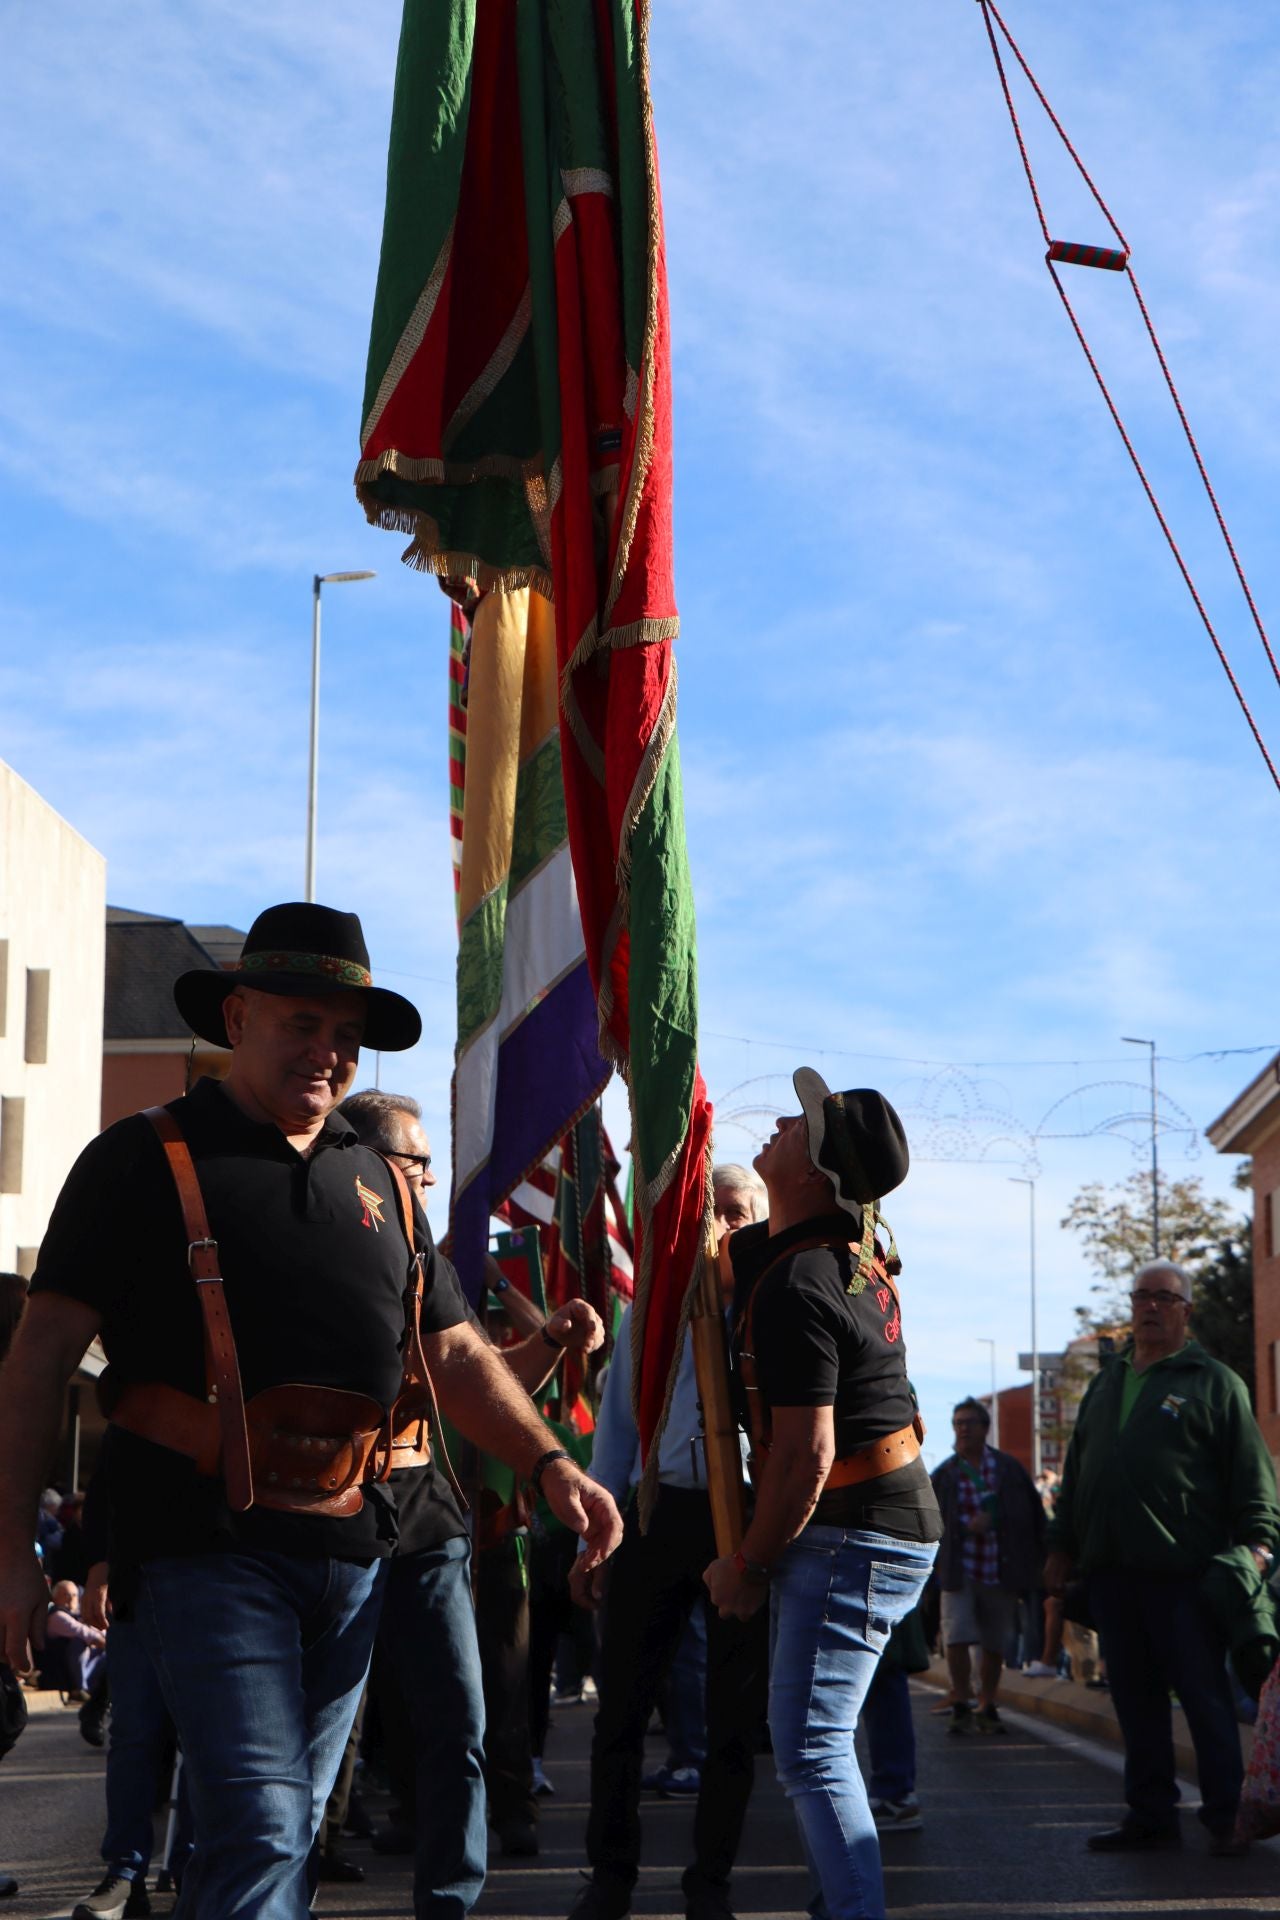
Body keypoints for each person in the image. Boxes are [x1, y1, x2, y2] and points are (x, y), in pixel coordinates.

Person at [0, 902, 622, 1920]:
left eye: (345, 1034)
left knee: (266, 1847)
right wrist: (12, 1556)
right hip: (204, 1546)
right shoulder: (139, 1159)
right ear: (236, 1016)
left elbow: (453, 1352)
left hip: (353, 1556)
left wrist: (553, 1464)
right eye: (301, 1023)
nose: (327, 1052)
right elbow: (37, 1362)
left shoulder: (382, 1181)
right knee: (266, 1828)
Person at [339, 1085, 604, 1909]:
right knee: (317, 1730)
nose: (431, 1179)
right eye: (416, 1163)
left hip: (429, 1522)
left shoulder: (432, 1264)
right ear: (365, 1163)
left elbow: (474, 1377)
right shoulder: (310, 1247)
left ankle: (450, 1898)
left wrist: (550, 1349)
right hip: (327, 1519)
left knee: (461, 1719)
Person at [705, 1072, 942, 1920]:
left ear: (814, 1171)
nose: (777, 1121)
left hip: (853, 1532)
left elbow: (807, 1454)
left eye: (798, 1123)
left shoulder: (802, 1282)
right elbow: (733, 1259)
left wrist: (747, 1563)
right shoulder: (832, 1258)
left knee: (810, 1748)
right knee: (816, 1743)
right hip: (874, 1525)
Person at [566, 1163, 768, 1920]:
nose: (721, 1224)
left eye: (738, 1213)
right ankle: (610, 1877)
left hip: (740, 1523)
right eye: (710, 1209)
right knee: (621, 1709)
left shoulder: (773, 1305)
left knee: (733, 1720)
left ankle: (710, 1884)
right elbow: (617, 1433)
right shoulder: (650, 1311)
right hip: (654, 1516)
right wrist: (594, 1538)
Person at [1044, 1257, 1280, 1855]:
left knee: (1203, 1698)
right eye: (1141, 1296)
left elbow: (1253, 1478)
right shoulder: (1106, 1383)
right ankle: (1150, 1814)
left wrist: (1259, 1545)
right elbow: (1077, 1472)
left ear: (1186, 1311)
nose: (1150, 1306)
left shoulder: (1214, 1382)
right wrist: (1061, 1544)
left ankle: (1226, 1818)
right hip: (1112, 1574)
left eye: (1164, 1298)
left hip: (1186, 1575)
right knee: (1134, 1700)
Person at [929, 1396, 1044, 1735]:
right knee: (957, 1637)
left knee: (994, 1644)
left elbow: (1033, 1516)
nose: (963, 1429)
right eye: (958, 1424)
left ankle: (987, 1703)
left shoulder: (1009, 1470)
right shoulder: (945, 1474)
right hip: (958, 1569)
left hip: (1000, 1568)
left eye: (969, 1423)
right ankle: (962, 1699)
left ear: (985, 1428)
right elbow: (930, 1522)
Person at [45, 1580, 107, 1694]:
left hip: (82, 1667)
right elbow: (86, 1634)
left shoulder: (77, 1615)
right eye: (66, 1595)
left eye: (74, 1595)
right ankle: (82, 1688)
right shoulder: (57, 1616)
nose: (71, 1599)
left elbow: (100, 1633)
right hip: (61, 1672)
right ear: (55, 1598)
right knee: (79, 1642)